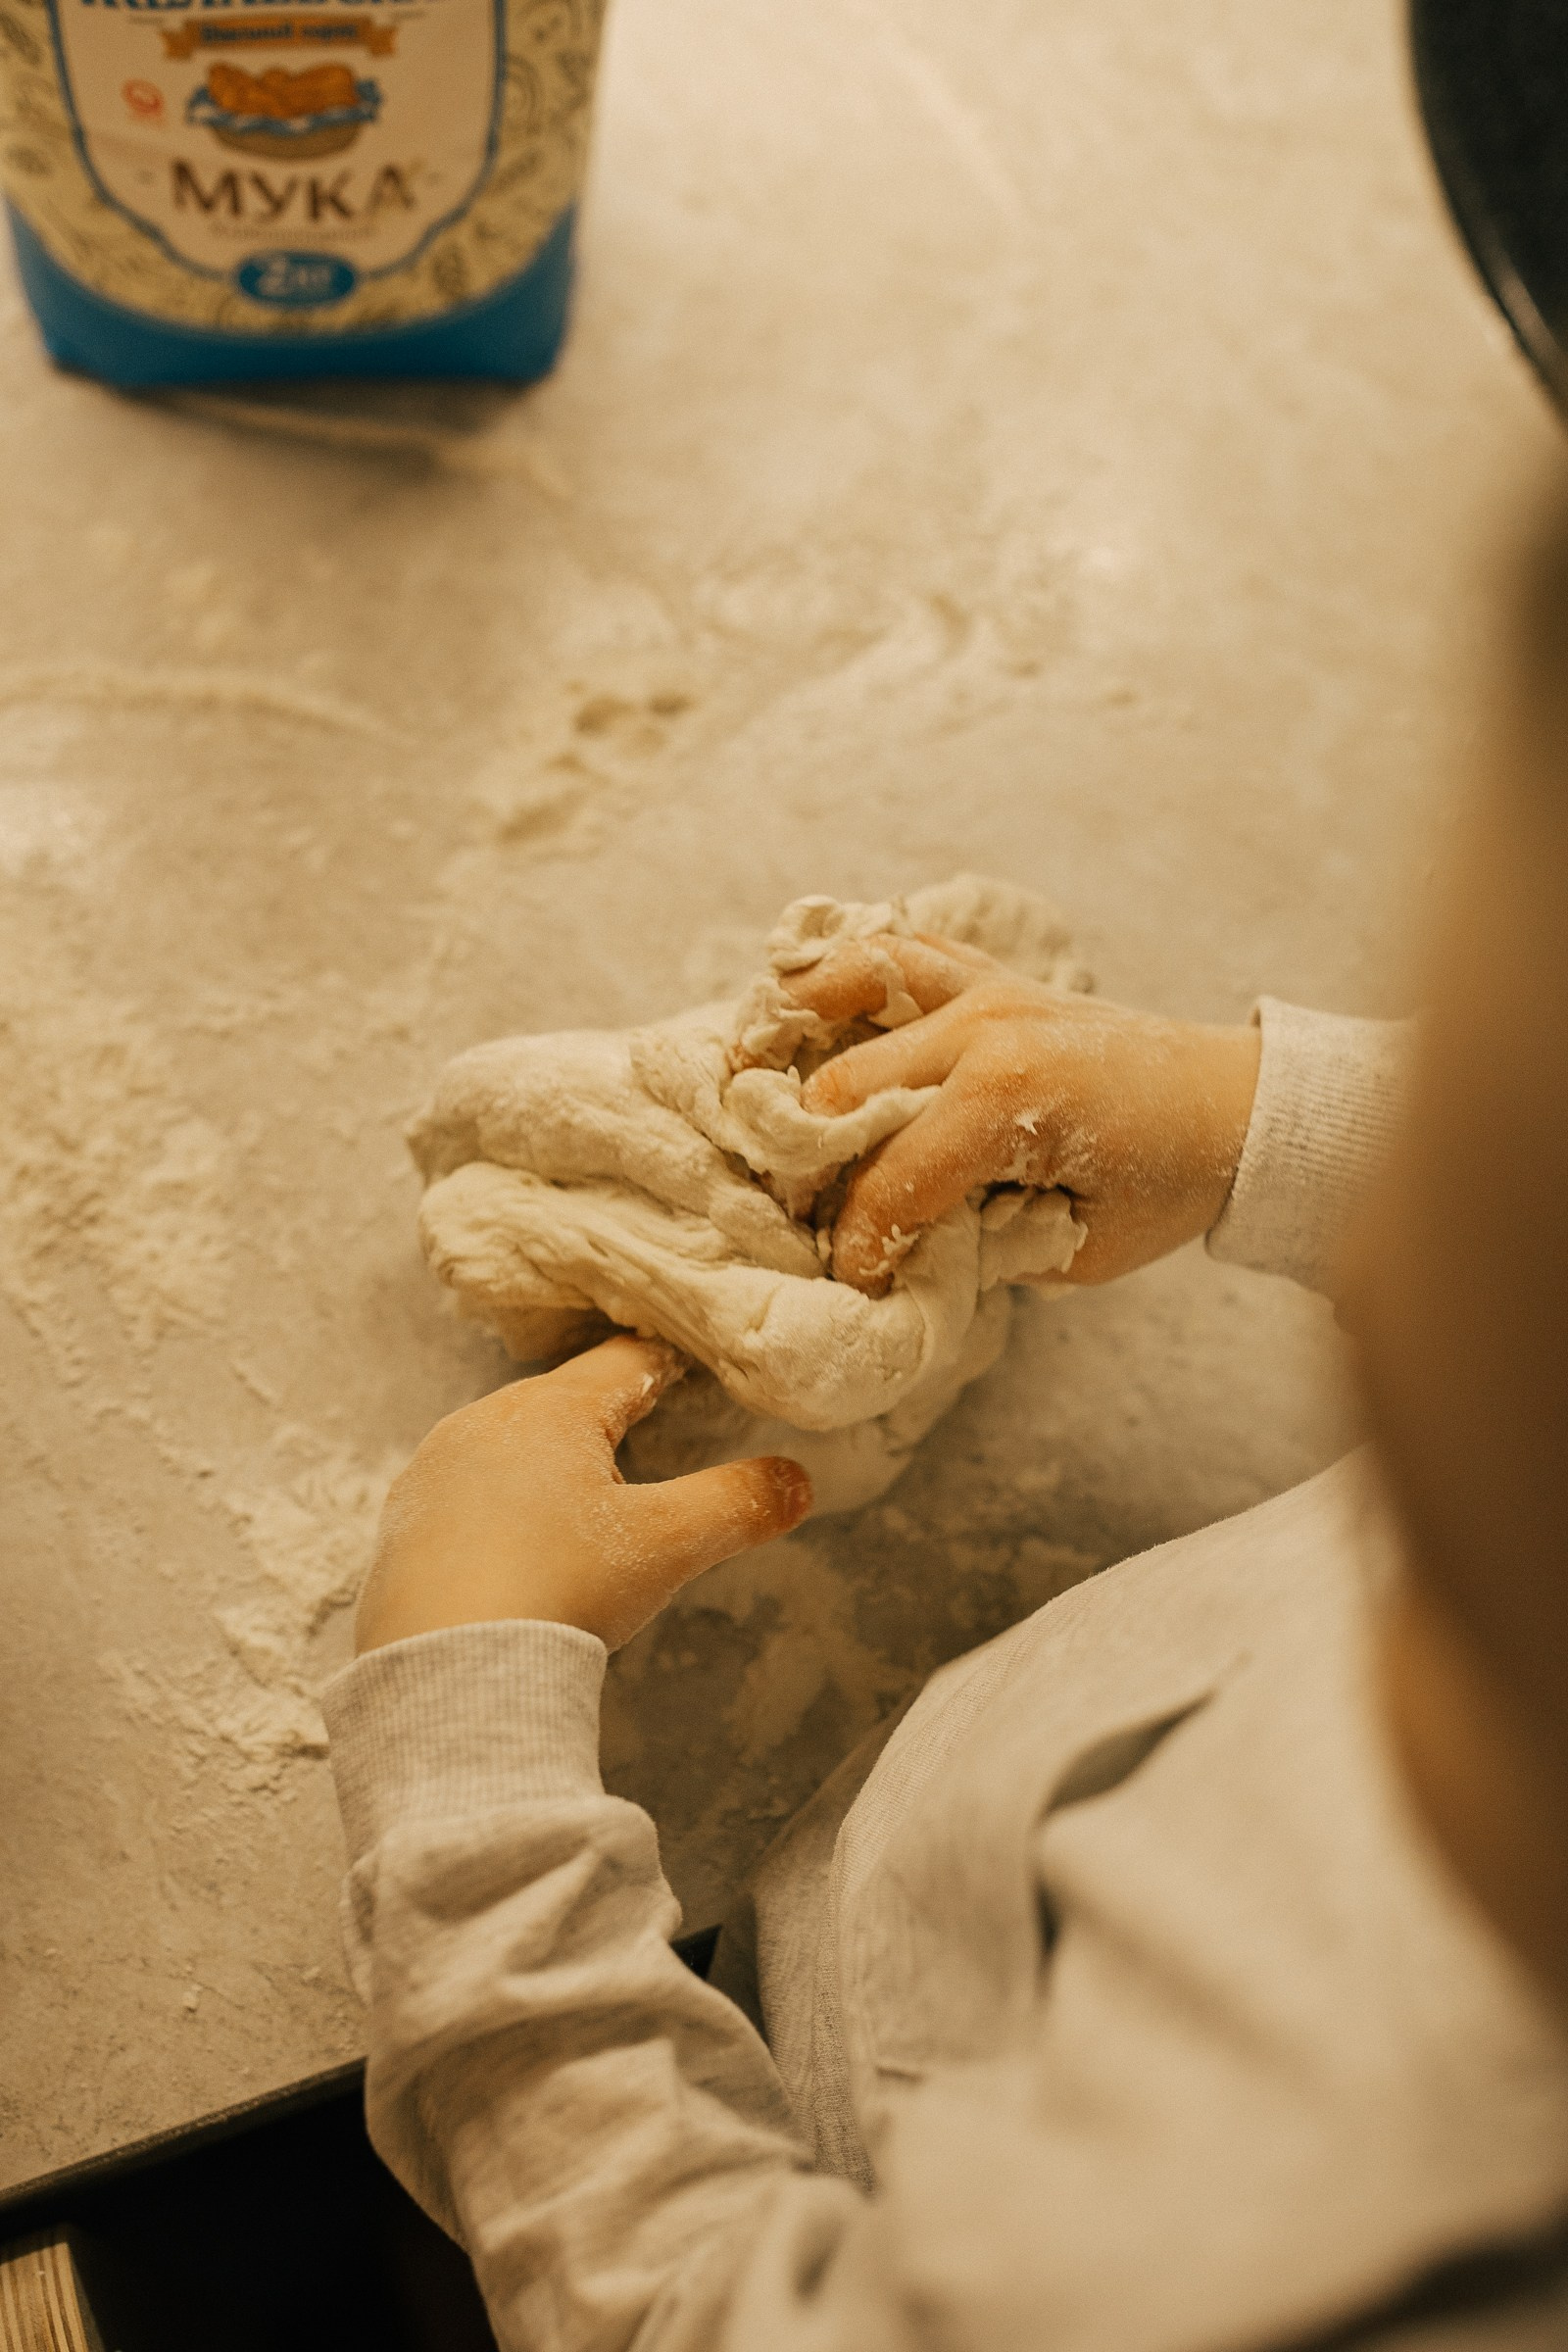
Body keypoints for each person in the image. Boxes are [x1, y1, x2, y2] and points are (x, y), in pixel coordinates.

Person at [321, 514, 1568, 2351]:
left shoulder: (1337, 2218)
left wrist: (466, 1763)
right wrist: (1257, 1119)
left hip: (832, 2144)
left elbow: (700, 2319)